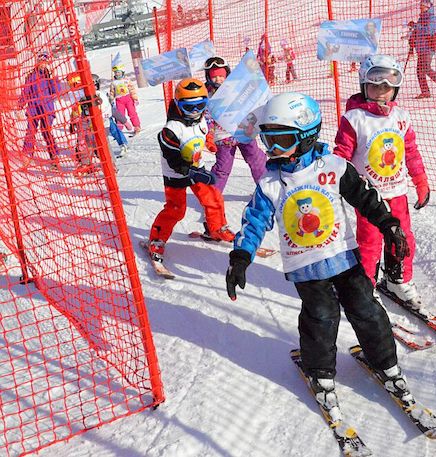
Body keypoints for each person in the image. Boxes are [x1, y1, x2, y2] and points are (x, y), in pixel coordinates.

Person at [225, 92, 414, 412]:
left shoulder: (333, 166)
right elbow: (254, 221)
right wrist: (241, 257)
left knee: (367, 310)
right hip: (306, 268)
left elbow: (366, 197)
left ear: (306, 135)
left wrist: (389, 224)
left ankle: (385, 362)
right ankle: (320, 373)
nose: (273, 150)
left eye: (281, 140)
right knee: (321, 318)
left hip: (344, 257)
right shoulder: (271, 182)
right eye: (268, 141)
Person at [333, 54, 430, 306]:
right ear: (364, 86)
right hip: (368, 195)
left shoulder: (401, 117)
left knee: (402, 236)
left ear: (395, 89)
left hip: (397, 191)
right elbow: (341, 155)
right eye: (375, 86)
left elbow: (410, 150)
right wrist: (334, 183)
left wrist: (420, 179)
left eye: (387, 88)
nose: (381, 93)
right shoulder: (354, 119)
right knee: (370, 241)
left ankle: (399, 279)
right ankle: (366, 284)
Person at [146, 78, 235, 264]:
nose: (195, 112)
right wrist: (191, 172)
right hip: (176, 174)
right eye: (189, 107)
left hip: (197, 167)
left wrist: (210, 143)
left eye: (200, 105)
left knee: (213, 198)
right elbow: (173, 160)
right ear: (178, 105)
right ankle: (156, 239)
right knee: (176, 210)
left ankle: (216, 229)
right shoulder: (170, 131)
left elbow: (204, 132)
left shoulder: (201, 119)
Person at [202, 56, 266, 190]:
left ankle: (266, 189)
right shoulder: (206, 95)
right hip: (223, 137)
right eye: (214, 76)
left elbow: (251, 99)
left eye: (221, 76)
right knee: (222, 168)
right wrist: (209, 136)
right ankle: (213, 196)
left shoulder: (237, 86)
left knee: (257, 160)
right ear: (208, 77)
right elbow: (207, 118)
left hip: (243, 131)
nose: (218, 79)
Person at [19, 53, 60, 166]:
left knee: (46, 130)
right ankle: (27, 155)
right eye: (41, 62)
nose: (43, 64)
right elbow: (26, 91)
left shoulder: (49, 76)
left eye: (45, 62)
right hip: (34, 108)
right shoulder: (31, 76)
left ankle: (54, 156)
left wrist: (53, 78)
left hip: (47, 108)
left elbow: (56, 91)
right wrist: (20, 105)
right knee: (30, 132)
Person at [412, 0, 436, 98]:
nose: (420, 8)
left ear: (427, 7)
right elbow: (418, 31)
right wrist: (412, 38)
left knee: (425, 68)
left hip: (428, 48)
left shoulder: (432, 17)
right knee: (420, 71)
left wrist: (416, 26)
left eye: (422, 6)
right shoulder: (421, 18)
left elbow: (428, 30)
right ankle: (425, 92)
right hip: (421, 48)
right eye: (420, 6)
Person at [109, 64, 141, 135]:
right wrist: (111, 98)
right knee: (120, 115)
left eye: (119, 72)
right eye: (116, 73)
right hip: (119, 100)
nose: (117, 74)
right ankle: (119, 129)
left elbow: (132, 90)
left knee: (132, 112)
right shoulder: (113, 83)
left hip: (128, 98)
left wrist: (135, 99)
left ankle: (137, 126)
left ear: (122, 72)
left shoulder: (126, 81)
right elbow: (112, 92)